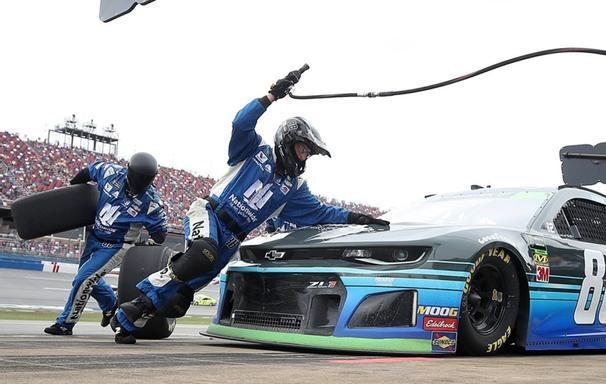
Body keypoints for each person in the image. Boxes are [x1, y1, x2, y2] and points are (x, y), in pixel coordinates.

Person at [110, 70, 389, 344]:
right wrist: (271, 96)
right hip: (209, 214)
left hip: (231, 241)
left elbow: (322, 214)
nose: (305, 156)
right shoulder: (253, 150)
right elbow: (241, 123)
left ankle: (127, 319)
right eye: (303, 149)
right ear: (287, 142)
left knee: (179, 296)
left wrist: (358, 218)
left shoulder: (294, 188)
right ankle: (136, 303)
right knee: (200, 254)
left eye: (308, 153)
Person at [44, 153, 168, 336]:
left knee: (83, 280)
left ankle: (65, 323)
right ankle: (110, 305)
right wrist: (71, 193)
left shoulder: (152, 202)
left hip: (117, 245)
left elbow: (160, 235)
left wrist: (149, 238)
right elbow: (87, 172)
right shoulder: (110, 172)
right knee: (85, 278)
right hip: (95, 236)